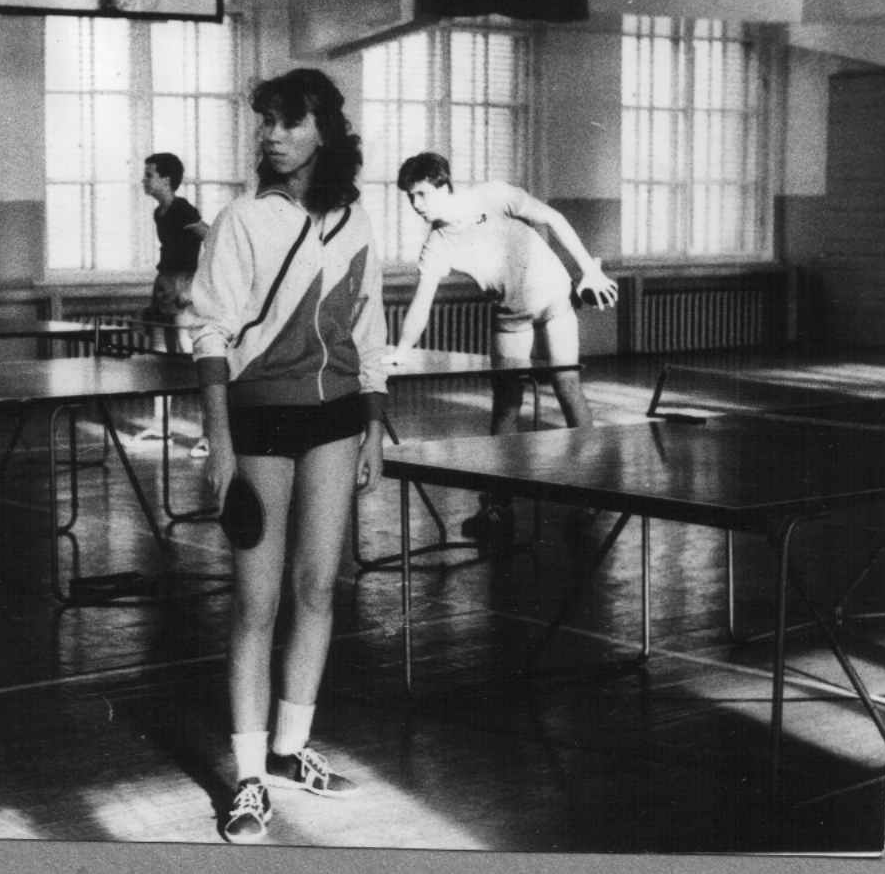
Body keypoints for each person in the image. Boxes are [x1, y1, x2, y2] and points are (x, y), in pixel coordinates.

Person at [189, 68, 388, 844]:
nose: (271, 135)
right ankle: (248, 779)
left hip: (336, 419)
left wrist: (374, 427)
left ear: (323, 131)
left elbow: (367, 330)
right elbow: (211, 331)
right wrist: (220, 440)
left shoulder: (355, 221)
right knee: (256, 602)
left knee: (316, 588)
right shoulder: (241, 219)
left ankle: (291, 746)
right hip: (260, 421)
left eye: (288, 121)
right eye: (265, 121)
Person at [383, 151, 618, 537]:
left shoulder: (492, 195)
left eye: (422, 194)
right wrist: (402, 351)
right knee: (506, 402)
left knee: (567, 385)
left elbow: (553, 218)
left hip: (555, 299)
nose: (416, 205)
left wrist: (589, 270)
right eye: (410, 197)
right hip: (510, 315)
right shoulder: (437, 244)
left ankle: (592, 491)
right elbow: (421, 302)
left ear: (444, 186)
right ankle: (496, 505)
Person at [139, 152, 212, 456]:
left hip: (184, 286)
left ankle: (209, 435)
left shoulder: (183, 209)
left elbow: (213, 239)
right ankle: (161, 426)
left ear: (166, 180)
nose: (144, 180)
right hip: (164, 285)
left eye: (149, 175)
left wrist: (193, 288)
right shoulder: (159, 213)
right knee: (161, 359)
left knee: (192, 361)